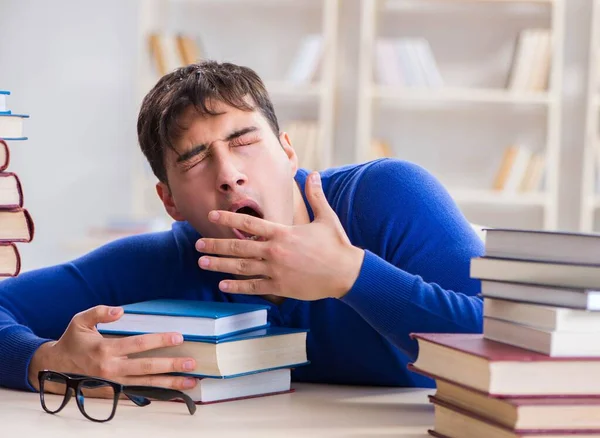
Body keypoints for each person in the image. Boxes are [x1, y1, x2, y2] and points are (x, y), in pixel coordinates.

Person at [0, 61, 484, 394]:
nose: (229, 174)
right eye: (194, 159)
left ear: (288, 150)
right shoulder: (161, 264)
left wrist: (349, 275)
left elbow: (500, 345)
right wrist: (43, 360)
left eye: (244, 140)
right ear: (169, 201)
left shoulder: (386, 196)